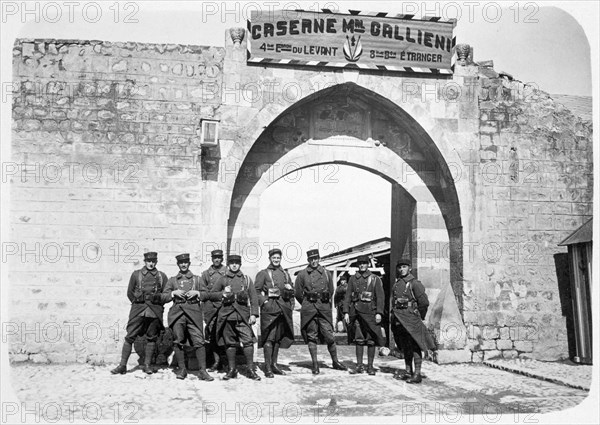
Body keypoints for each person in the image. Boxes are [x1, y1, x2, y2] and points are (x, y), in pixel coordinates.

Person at [111, 252, 168, 375]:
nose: (151, 263)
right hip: (139, 310)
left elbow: (167, 295)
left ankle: (147, 365)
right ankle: (122, 365)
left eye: (153, 261)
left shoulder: (161, 276)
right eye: (148, 261)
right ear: (145, 261)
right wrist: (138, 302)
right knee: (130, 336)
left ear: (156, 262)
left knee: (152, 338)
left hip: (154, 311)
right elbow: (129, 293)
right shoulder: (136, 275)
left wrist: (157, 299)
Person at [294, 249, 348, 375]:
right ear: (308, 260)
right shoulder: (302, 274)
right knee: (312, 336)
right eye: (311, 259)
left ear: (319, 259)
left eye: (316, 258)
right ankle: (315, 364)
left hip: (323, 309)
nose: (314, 261)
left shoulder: (326, 273)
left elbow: (331, 290)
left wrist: (322, 302)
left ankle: (335, 361)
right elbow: (298, 293)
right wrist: (307, 303)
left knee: (329, 336)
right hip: (309, 309)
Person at [162, 253, 214, 381]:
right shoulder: (173, 280)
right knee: (178, 340)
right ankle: (182, 369)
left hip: (194, 313)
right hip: (177, 314)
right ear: (178, 264)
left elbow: (207, 294)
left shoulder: (197, 279)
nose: (183, 265)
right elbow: (163, 296)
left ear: (189, 263)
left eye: (185, 262)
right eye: (181, 263)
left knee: (199, 341)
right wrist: (174, 293)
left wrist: (197, 293)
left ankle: (202, 371)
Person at [210, 255, 261, 381]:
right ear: (228, 265)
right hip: (227, 316)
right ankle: (232, 369)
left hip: (243, 316)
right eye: (232, 263)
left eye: (237, 263)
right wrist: (223, 294)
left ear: (240, 265)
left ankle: (250, 369)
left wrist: (254, 314)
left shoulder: (246, 280)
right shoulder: (223, 279)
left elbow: (254, 298)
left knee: (248, 342)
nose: (234, 265)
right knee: (230, 343)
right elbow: (211, 295)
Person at [391, 257, 436, 384]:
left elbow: (424, 303)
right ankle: (407, 371)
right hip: (400, 319)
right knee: (406, 346)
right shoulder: (397, 284)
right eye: (399, 267)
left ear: (409, 268)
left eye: (404, 267)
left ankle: (417, 373)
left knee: (415, 345)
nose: (401, 269)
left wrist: (419, 315)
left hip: (411, 319)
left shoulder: (414, 283)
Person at [254, 248, 295, 378]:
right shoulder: (264, 273)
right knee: (269, 338)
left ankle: (274, 365)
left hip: (283, 309)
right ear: (270, 258)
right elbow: (256, 291)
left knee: (277, 338)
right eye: (274, 258)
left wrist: (290, 293)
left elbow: (291, 291)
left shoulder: (285, 274)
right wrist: (264, 302)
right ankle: (267, 367)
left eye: (278, 258)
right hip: (270, 310)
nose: (276, 260)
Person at [343, 255, 385, 375]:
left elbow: (380, 297)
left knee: (371, 340)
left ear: (368, 265)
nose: (362, 265)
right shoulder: (352, 279)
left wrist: (379, 313)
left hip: (371, 313)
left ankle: (370, 366)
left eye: (364, 263)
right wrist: (346, 311)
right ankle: (359, 365)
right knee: (359, 339)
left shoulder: (375, 279)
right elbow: (347, 296)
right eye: (360, 263)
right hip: (356, 313)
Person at [201, 249, 227, 372]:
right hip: (210, 308)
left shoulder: (227, 272)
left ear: (222, 259)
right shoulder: (206, 274)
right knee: (212, 335)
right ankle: (216, 362)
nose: (217, 260)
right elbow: (203, 293)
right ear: (212, 259)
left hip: (225, 307)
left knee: (225, 334)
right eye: (214, 258)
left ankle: (225, 362)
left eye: (219, 258)